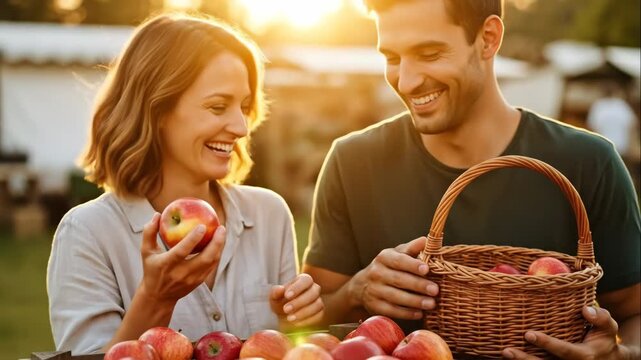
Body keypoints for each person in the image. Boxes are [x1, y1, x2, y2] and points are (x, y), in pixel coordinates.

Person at [302, 0, 640, 359]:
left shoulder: (589, 162)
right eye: (393, 58)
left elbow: (635, 310)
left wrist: (623, 354)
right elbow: (309, 317)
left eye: (429, 54)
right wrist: (356, 290)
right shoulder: (352, 161)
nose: (406, 80)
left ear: (488, 38)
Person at [47, 13, 323, 354]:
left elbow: (285, 348)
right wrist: (155, 298)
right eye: (218, 106)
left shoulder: (269, 214)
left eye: (245, 106)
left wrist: (297, 324)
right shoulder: (87, 233)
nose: (240, 126)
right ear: (156, 109)